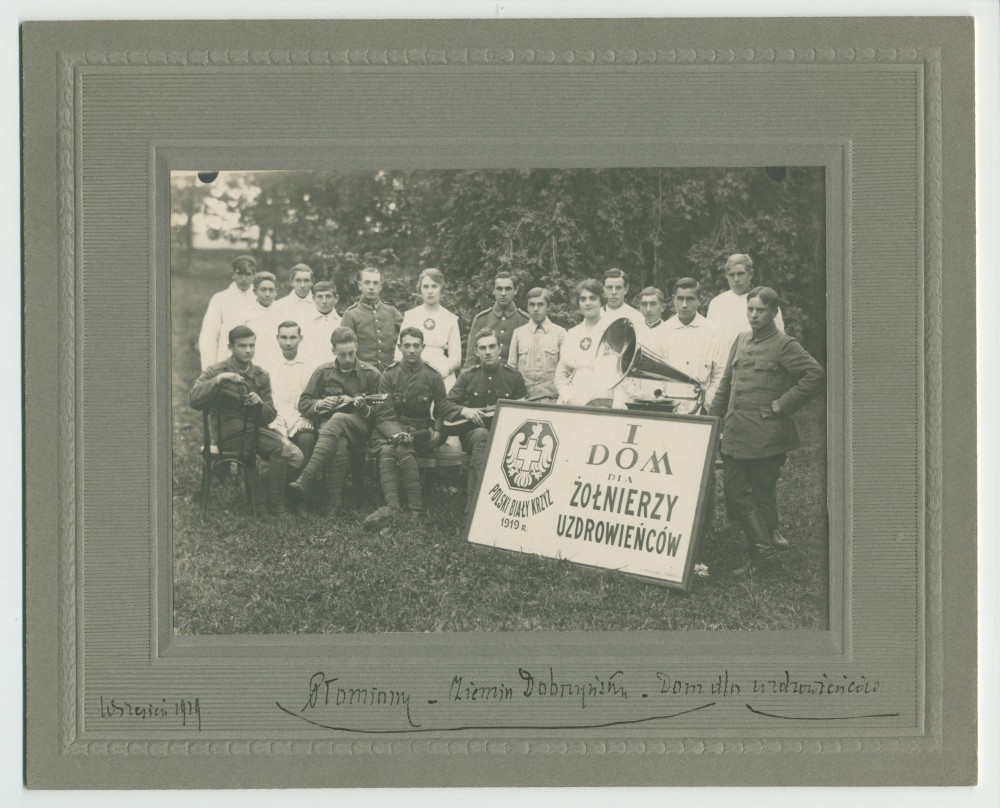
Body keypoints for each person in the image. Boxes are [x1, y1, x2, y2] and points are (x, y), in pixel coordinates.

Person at [708, 287, 824, 574]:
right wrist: (712, 421)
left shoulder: (784, 344)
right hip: (735, 433)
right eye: (750, 309)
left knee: (762, 492)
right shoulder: (740, 340)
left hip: (765, 434)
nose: (754, 315)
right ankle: (764, 547)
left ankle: (763, 552)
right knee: (735, 493)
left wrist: (782, 405)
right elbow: (725, 385)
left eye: (760, 310)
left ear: (774, 313)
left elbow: (815, 374)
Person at [189, 325, 304, 516]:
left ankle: (261, 493)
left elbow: (270, 415)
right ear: (230, 347)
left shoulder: (260, 375)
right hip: (228, 435)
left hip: (253, 433)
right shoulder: (216, 370)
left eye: (252, 345)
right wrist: (218, 380)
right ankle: (276, 506)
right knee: (285, 451)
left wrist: (259, 404)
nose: (248, 350)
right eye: (242, 346)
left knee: (296, 456)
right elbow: (193, 399)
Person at [289, 327, 381, 512]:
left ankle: (305, 478)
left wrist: (363, 408)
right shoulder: (323, 372)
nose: (347, 359)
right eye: (342, 355)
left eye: (351, 353)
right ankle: (334, 504)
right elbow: (304, 403)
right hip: (328, 431)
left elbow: (380, 413)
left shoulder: (371, 374)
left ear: (357, 347)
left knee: (338, 418)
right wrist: (321, 403)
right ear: (333, 351)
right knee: (338, 442)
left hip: (360, 429)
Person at [365, 327, 447, 528]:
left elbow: (443, 409)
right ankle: (393, 507)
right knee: (387, 449)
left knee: (403, 448)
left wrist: (437, 431)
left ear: (423, 347)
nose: (411, 350)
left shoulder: (433, 375)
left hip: (421, 431)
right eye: (407, 346)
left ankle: (415, 510)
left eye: (416, 346)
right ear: (400, 347)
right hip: (392, 427)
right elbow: (383, 413)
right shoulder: (389, 375)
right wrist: (398, 434)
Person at [442, 329, 527, 516]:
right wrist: (465, 410)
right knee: (481, 436)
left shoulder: (513, 377)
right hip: (473, 435)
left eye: (492, 346)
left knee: (484, 448)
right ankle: (487, 503)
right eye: (483, 348)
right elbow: (445, 405)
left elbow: (525, 414)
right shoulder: (468, 376)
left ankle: (472, 511)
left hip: (506, 437)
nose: (488, 351)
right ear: (476, 352)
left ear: (500, 349)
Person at [658, 278, 726, 415]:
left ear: (699, 300)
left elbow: (719, 374)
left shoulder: (714, 333)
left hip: (702, 411)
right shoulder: (661, 332)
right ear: (673, 300)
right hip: (667, 409)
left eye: (690, 299)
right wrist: (663, 405)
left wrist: (706, 406)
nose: (684, 305)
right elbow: (656, 375)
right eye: (680, 299)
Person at [395, 268, 462, 390]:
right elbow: (398, 352)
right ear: (420, 289)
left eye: (434, 286)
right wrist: (411, 374)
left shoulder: (450, 318)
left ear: (441, 288)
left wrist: (439, 373)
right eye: (425, 286)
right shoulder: (411, 316)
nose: (430, 291)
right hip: (412, 376)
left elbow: (456, 357)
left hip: (442, 377)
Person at [706, 253, 785, 352]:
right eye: (731, 275)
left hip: (755, 362)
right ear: (726, 276)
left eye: (740, 274)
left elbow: (779, 338)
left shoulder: (766, 300)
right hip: (723, 363)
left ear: (750, 274)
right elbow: (710, 339)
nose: (736, 279)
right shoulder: (717, 303)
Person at [554, 279, 614, 406]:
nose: (587, 303)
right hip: (574, 398)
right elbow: (560, 375)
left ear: (601, 301)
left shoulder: (612, 331)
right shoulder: (572, 333)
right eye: (583, 299)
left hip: (603, 398)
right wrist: (569, 399)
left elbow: (622, 375)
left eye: (593, 298)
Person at [267, 320, 317, 464]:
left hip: (301, 420)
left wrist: (307, 418)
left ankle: (301, 483)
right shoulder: (269, 366)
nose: (288, 343)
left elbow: (313, 397)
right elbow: (267, 399)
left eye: (293, 337)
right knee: (279, 445)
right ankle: (279, 483)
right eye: (283, 337)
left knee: (307, 440)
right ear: (277, 338)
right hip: (276, 422)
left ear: (300, 339)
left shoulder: (310, 365)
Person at [197, 255, 256, 371]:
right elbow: (209, 336)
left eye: (248, 274)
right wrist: (210, 369)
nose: (243, 279)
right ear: (233, 274)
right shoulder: (220, 299)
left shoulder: (261, 298)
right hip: (227, 362)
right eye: (239, 274)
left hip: (256, 364)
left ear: (254, 275)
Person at [507, 287, 565, 403]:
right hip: (525, 400)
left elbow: (565, 371)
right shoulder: (519, 333)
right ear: (527, 307)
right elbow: (511, 369)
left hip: (553, 401)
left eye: (540, 305)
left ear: (548, 306)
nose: (536, 309)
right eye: (532, 305)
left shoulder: (560, 333)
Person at [462, 271, 529, 370]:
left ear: (516, 290)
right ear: (493, 290)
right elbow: (471, 360)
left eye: (508, 289)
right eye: (499, 289)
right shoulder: (481, 319)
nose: (503, 293)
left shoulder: (525, 321)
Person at [341, 266, 404, 371]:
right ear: (360, 285)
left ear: (381, 286)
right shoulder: (351, 314)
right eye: (367, 282)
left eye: (375, 283)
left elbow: (408, 333)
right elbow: (344, 349)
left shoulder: (391, 311)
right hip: (363, 375)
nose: (371, 287)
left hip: (389, 375)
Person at [240, 271, 282, 371]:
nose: (267, 294)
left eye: (271, 290)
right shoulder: (245, 314)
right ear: (255, 291)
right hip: (252, 364)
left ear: (276, 291)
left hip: (277, 364)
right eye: (263, 290)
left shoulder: (283, 313)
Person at [300, 281, 342, 370]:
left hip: (336, 373)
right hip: (310, 372)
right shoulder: (304, 323)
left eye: (328, 296)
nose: (324, 301)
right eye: (320, 297)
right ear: (313, 298)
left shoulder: (342, 323)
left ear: (336, 298)